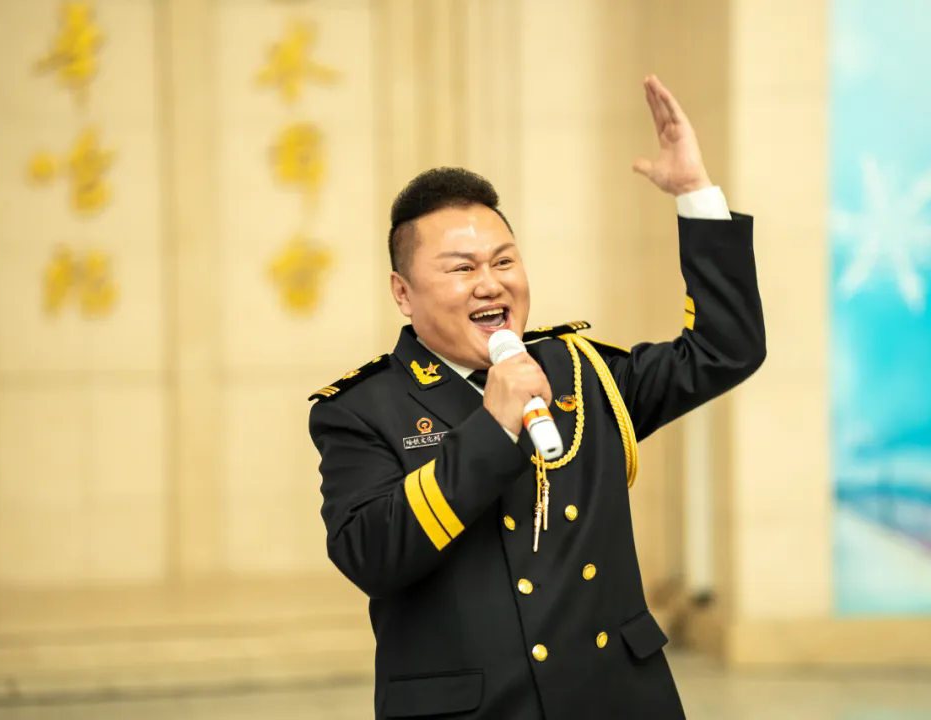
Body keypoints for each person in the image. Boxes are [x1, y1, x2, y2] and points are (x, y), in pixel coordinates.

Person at [308, 75, 765, 719]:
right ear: (403, 293)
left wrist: (696, 195)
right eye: (462, 268)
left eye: (504, 262)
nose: (490, 284)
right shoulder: (359, 410)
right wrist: (492, 428)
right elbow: (373, 557)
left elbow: (724, 349)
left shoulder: (580, 371)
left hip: (616, 701)